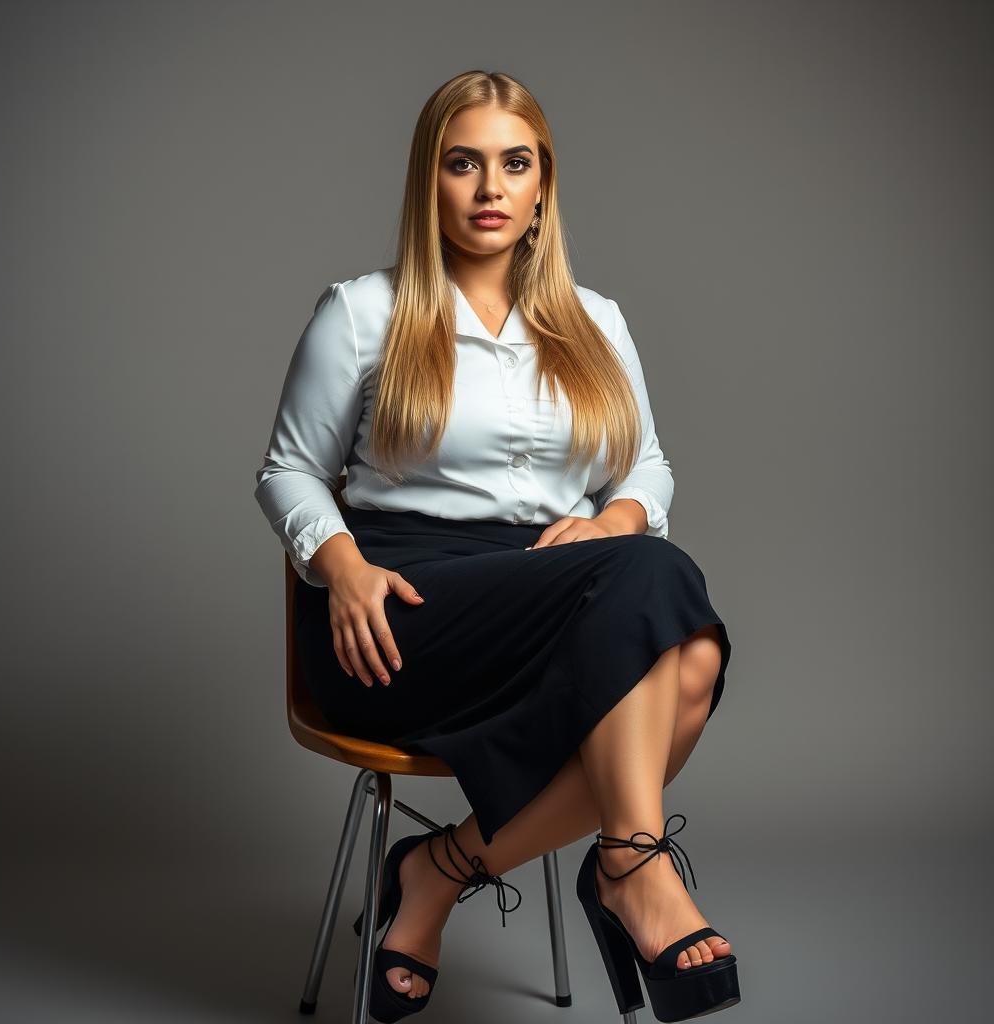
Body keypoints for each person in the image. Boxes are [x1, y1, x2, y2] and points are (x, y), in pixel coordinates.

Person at [254, 70, 740, 1023]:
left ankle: (440, 870)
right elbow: (286, 473)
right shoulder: (363, 312)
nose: (489, 189)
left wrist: (615, 520)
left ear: (542, 185)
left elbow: (647, 469)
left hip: (562, 601)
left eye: (514, 164)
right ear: (427, 182)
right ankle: (634, 873)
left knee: (688, 654)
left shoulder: (597, 323)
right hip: (403, 613)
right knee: (666, 607)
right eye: (462, 163)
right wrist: (340, 564)